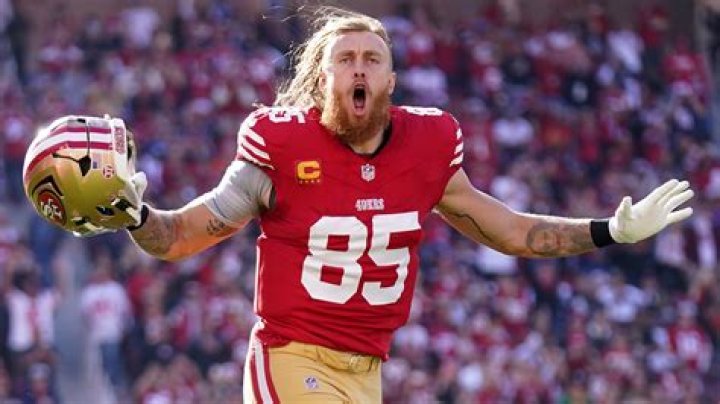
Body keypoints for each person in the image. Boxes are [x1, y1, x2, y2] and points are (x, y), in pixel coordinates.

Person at [22, 7, 694, 403]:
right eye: (346, 58)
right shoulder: (278, 146)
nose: (361, 67)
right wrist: (138, 216)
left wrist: (609, 230)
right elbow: (180, 236)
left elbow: (513, 232)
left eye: (374, 57)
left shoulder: (431, 143)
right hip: (289, 356)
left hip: (367, 370)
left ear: (393, 77)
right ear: (322, 79)